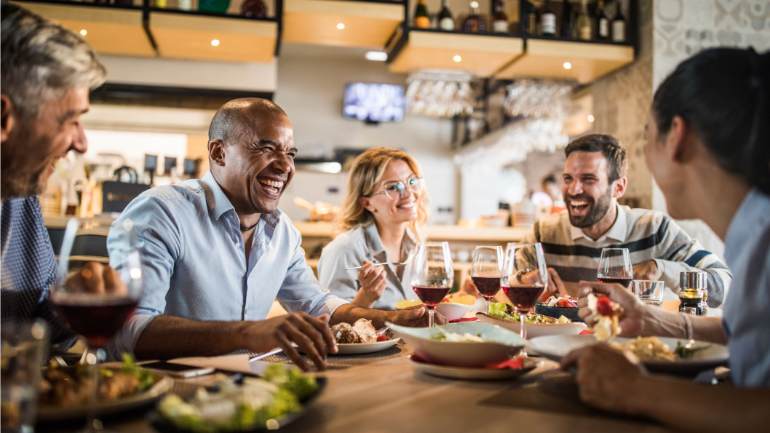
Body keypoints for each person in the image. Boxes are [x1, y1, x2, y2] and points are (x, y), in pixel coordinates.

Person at [107, 99, 431, 370]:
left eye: (290, 153)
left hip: (240, 389)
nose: (284, 166)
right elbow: (128, 330)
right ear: (219, 153)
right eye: (266, 148)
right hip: (160, 390)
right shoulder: (163, 211)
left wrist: (394, 317)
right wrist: (249, 333)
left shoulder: (283, 232)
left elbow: (317, 303)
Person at [563, 47, 770, 432]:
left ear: (676, 136)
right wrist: (652, 320)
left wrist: (635, 389)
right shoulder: (753, 232)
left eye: (647, 139)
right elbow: (744, 332)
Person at [1, 4, 107, 345]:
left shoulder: (20, 198)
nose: (81, 143)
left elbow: (36, 323)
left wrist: (71, 306)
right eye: (70, 120)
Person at [525, 134, 731, 305]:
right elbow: (512, 284)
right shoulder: (543, 233)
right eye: (568, 178)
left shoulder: (655, 229)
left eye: (588, 179)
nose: (573, 189)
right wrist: (526, 281)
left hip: (634, 348)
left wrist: (661, 268)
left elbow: (724, 286)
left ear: (619, 187)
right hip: (561, 348)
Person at [318, 147, 428, 309]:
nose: (409, 193)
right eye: (393, 187)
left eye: (412, 181)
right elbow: (330, 323)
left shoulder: (416, 247)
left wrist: (460, 297)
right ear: (367, 203)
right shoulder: (344, 250)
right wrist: (365, 298)